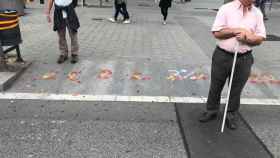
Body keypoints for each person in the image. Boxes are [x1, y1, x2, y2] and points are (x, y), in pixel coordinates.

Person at [199, 0, 266, 130]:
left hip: (244, 58)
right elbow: (217, 33)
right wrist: (236, 31)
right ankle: (211, 110)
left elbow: (260, 38)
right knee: (216, 85)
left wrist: (247, 38)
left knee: (236, 88)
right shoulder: (226, 8)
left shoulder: (257, 13)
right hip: (222, 55)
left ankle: (230, 114)